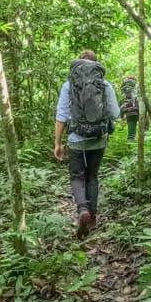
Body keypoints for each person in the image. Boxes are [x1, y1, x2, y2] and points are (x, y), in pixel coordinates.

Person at [54, 50, 120, 238]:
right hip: (98, 139)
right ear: (96, 65)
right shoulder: (104, 84)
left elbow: (61, 116)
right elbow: (115, 113)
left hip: (76, 139)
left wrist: (57, 143)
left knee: (77, 176)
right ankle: (92, 217)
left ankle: (82, 209)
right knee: (92, 176)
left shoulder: (69, 84)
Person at [120, 76, 140, 141]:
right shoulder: (136, 87)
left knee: (131, 132)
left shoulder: (124, 87)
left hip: (128, 111)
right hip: (138, 109)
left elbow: (121, 101)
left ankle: (131, 143)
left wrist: (122, 115)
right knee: (145, 129)